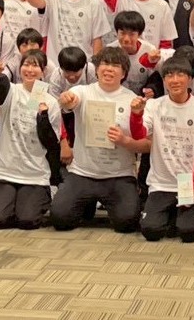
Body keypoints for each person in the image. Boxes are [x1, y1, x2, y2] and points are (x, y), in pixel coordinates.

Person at [53, 46, 143, 233]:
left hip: (119, 175)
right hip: (82, 172)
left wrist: (123, 140)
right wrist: (66, 100)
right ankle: (87, 203)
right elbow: (69, 102)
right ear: (96, 69)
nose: (109, 69)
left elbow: (142, 139)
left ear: (123, 73)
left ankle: (95, 203)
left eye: (115, 66)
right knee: (60, 218)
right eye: (105, 64)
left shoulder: (132, 100)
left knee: (127, 222)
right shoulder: (82, 91)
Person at [135, 57, 194, 243]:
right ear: (164, 80)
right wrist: (136, 115)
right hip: (161, 182)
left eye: (180, 75)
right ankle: (171, 215)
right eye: (169, 75)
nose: (174, 80)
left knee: (188, 232)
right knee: (151, 231)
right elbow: (139, 133)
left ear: (190, 79)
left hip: (188, 182)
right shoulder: (154, 105)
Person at [0, 49, 63, 230]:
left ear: (43, 71)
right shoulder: (12, 91)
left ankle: (41, 196)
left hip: (34, 174)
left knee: (28, 221)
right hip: (4, 172)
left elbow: (51, 143)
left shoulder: (49, 101)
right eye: (26, 65)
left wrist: (43, 117)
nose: (30, 70)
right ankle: (8, 201)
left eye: (35, 66)